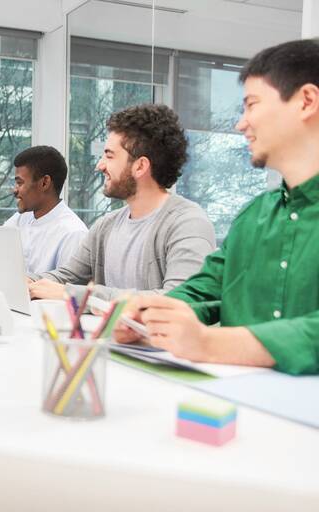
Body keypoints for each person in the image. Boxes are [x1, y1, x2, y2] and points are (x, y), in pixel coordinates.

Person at [125, 40, 319, 375]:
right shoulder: (253, 216)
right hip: (235, 408)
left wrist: (209, 343)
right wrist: (148, 316)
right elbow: (205, 289)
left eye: (251, 105)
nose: (241, 124)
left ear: (306, 101)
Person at [28, 104, 216, 302]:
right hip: (107, 334)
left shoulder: (188, 223)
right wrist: (25, 281)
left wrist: (76, 295)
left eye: (109, 155)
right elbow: (64, 278)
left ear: (140, 166)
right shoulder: (105, 226)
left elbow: (178, 300)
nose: (100, 165)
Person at [3, 146, 87, 274]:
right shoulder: (21, 219)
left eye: (20, 183)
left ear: (44, 183)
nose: (15, 190)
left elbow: (66, 290)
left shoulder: (73, 233)